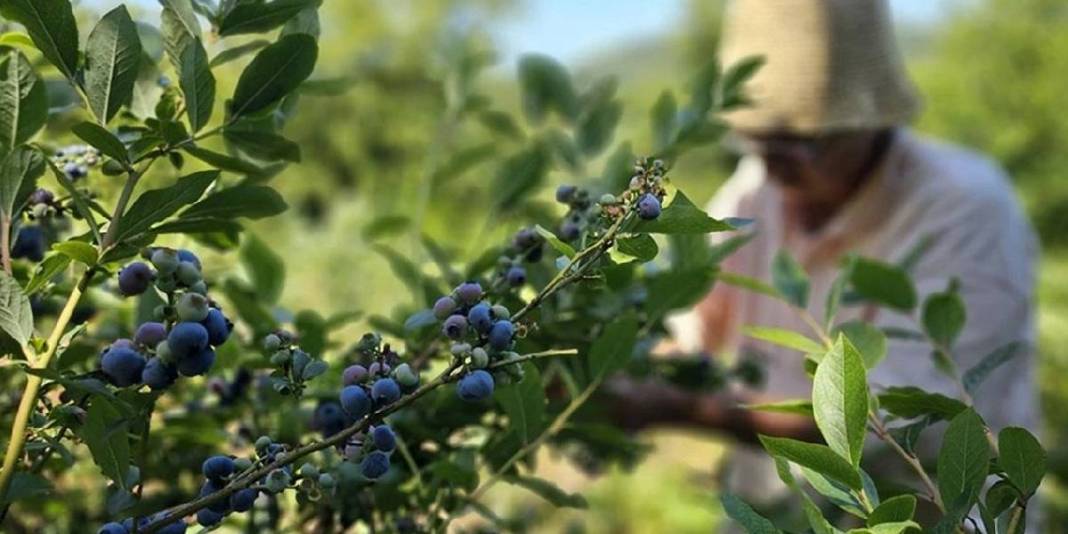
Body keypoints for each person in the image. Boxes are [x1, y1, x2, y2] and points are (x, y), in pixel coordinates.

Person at [609, 0, 1040, 527]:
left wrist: (679, 405)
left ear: (870, 121)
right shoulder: (754, 188)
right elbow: (685, 320)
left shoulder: (966, 207)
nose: (777, 165)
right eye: (759, 140)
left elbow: (900, 422)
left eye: (803, 144)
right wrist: (608, 363)